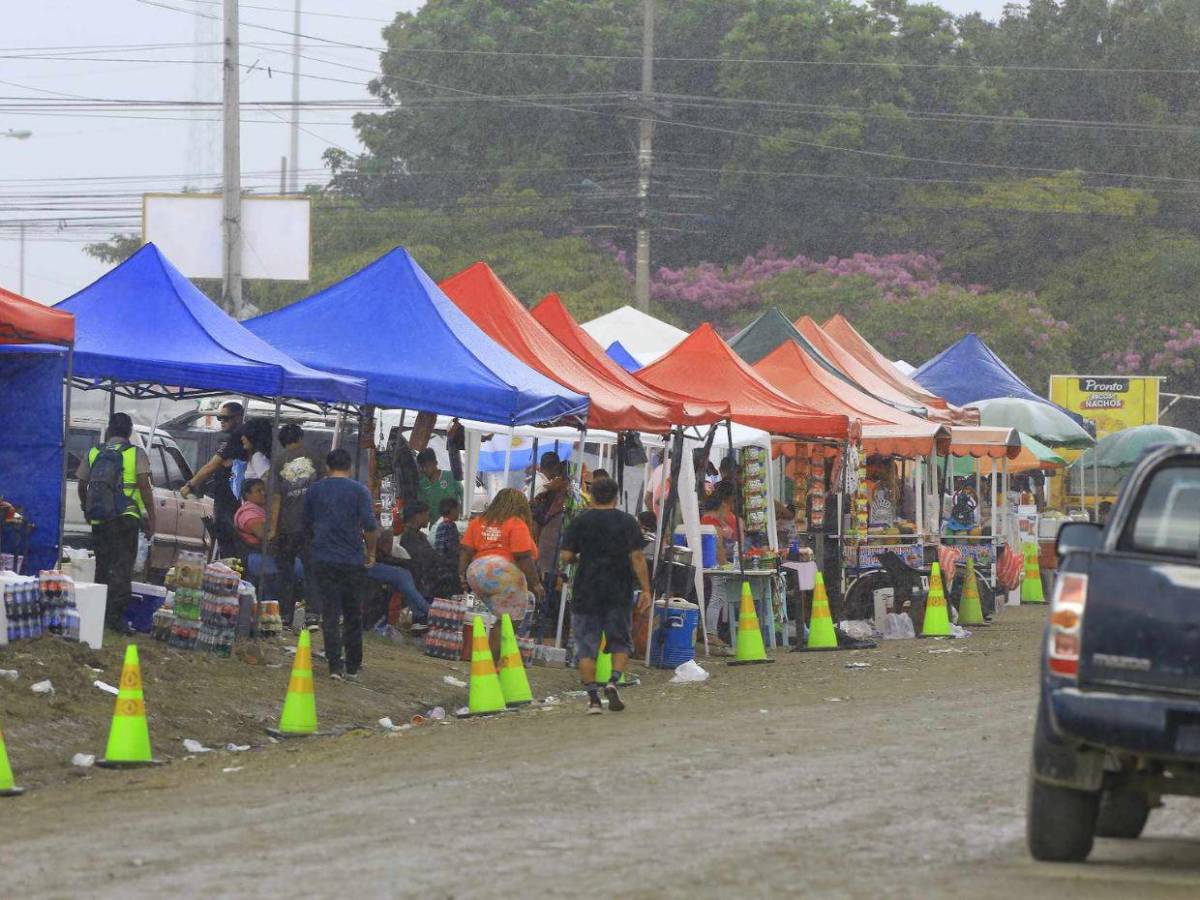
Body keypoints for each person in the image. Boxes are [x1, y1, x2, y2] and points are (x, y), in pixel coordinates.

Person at [560, 477, 651, 715]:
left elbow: (566, 556)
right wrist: (647, 589)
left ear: (591, 496)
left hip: (586, 589)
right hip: (618, 589)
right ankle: (612, 681)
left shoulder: (580, 522)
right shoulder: (628, 522)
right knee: (620, 641)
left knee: (586, 647)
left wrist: (583, 558)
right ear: (616, 497)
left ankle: (593, 699)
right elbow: (638, 557)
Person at [303, 448, 379, 680]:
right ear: (351, 467)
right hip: (351, 559)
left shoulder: (315, 490)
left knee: (330, 613)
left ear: (327, 467)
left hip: (324, 558)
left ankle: (335, 665)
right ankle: (353, 665)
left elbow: (307, 522)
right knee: (353, 613)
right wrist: (371, 552)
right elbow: (369, 526)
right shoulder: (359, 491)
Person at [77, 413, 155, 631]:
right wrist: (151, 517)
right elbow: (144, 487)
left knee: (102, 566)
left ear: (109, 431)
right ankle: (115, 620)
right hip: (126, 518)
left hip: (100, 517)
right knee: (122, 567)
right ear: (129, 432)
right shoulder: (135, 453)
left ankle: (97, 615)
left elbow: (81, 485)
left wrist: (87, 508)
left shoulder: (94, 452)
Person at [459, 488, 544, 653]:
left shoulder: (478, 521)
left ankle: (490, 656)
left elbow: (465, 550)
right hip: (503, 572)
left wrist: (462, 574)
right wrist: (536, 583)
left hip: (476, 571)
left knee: (501, 617)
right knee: (509, 620)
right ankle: (494, 662)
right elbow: (523, 556)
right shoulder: (516, 523)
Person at [272, 423, 323, 626]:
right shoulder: (315, 455)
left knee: (285, 571)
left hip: (286, 525)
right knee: (312, 570)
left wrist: (273, 528)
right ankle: (312, 615)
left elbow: (276, 497)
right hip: (311, 525)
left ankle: (285, 615)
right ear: (300, 438)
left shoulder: (278, 462)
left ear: (283, 442)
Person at [180, 401, 245, 558]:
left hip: (229, 500)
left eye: (226, 418)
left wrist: (189, 485)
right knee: (227, 545)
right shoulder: (239, 438)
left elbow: (210, 467)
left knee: (227, 545)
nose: (222, 421)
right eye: (219, 418)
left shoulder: (234, 439)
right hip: (232, 499)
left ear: (238, 418)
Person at [398, 501, 459, 600]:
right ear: (417, 516)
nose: (429, 518)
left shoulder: (418, 535)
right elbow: (425, 561)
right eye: (427, 514)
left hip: (428, 579)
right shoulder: (409, 537)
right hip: (424, 584)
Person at [531, 451, 569, 579]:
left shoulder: (537, 482)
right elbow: (537, 516)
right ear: (556, 469)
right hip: (540, 543)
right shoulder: (543, 487)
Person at [416, 448, 462, 520]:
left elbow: (464, 495)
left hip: (453, 524)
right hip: (434, 528)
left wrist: (461, 513)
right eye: (422, 467)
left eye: (427, 466)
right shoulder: (422, 485)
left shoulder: (450, 476)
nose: (424, 469)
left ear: (435, 463)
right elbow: (421, 508)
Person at [239, 417, 274, 482]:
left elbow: (268, 481)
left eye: (246, 435)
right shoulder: (257, 456)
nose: (242, 438)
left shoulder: (257, 457)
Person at [433, 496, 461, 566]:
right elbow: (452, 549)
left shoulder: (444, 524)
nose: (459, 512)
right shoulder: (448, 526)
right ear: (452, 510)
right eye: (458, 509)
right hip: (446, 565)